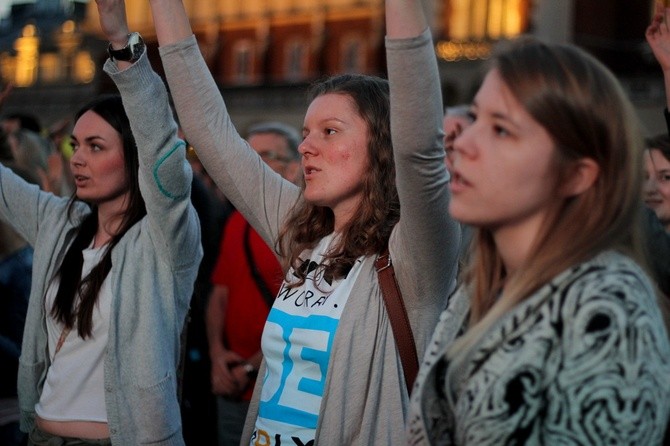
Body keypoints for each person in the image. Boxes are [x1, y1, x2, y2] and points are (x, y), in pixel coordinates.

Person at [92, 0, 461, 443]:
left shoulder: (416, 256)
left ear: (384, 144)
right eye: (305, 133)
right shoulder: (304, 237)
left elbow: (420, 143)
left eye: (330, 131)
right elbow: (211, 133)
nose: (306, 146)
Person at [405, 34, 670, 444]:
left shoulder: (608, 310)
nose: (464, 142)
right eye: (475, 118)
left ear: (576, 174)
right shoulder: (482, 285)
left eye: (502, 130)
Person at [6, 8, 202, 443]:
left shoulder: (164, 240)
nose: (77, 158)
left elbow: (164, 152)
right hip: (40, 436)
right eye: (76, 145)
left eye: (96, 147)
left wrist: (122, 45)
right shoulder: (61, 223)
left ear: (134, 157)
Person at [206, 121, 301, 446]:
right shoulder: (236, 222)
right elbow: (219, 294)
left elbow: (300, 318)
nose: (251, 164)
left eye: (264, 155)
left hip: (279, 387)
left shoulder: (302, 231)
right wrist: (217, 355)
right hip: (230, 383)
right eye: (248, 154)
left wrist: (248, 368)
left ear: (293, 168)